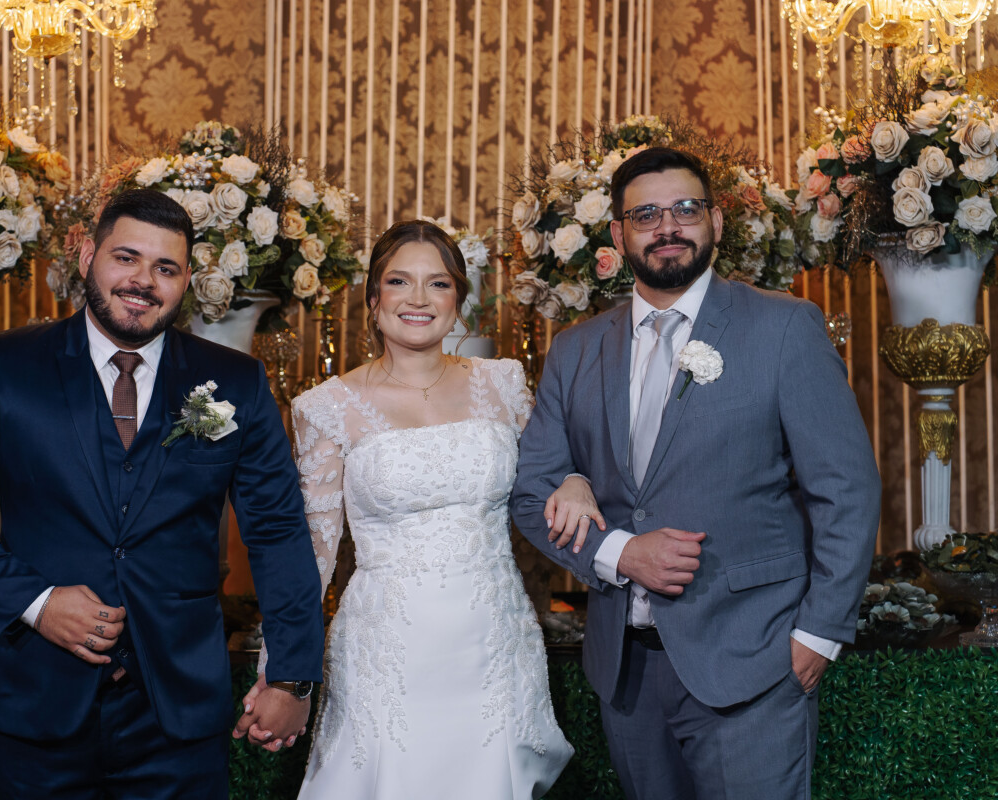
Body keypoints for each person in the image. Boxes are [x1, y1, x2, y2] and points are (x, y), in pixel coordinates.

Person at [0, 189, 324, 799]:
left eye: (166, 268)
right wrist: (38, 603)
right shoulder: (2, 366)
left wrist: (292, 679)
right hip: (39, 703)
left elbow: (278, 531)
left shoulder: (235, 381)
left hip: (179, 713)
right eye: (126, 258)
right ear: (87, 257)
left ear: (187, 282)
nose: (143, 282)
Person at [510, 147, 881, 799]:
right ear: (618, 234)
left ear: (715, 221)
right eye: (646, 215)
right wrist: (620, 552)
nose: (668, 227)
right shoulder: (575, 349)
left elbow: (845, 489)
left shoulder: (783, 327)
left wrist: (819, 633)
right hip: (625, 671)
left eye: (685, 208)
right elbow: (531, 489)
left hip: (753, 660)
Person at [249, 219, 583, 799]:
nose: (419, 299)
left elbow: (547, 477)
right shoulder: (326, 407)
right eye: (400, 281)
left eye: (439, 283)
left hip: (494, 644)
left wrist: (576, 479)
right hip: (387, 649)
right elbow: (313, 558)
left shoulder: (504, 383)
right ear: (374, 299)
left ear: (458, 301)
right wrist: (283, 676)